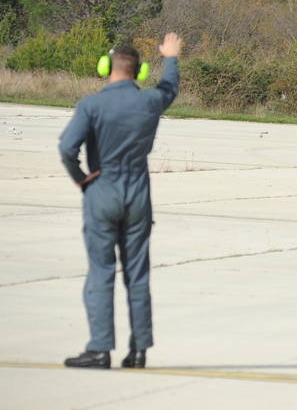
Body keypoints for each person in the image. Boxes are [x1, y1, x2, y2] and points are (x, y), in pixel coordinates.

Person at [59, 33, 182, 369]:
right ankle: (139, 349)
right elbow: (170, 88)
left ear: (105, 68)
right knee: (137, 275)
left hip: (103, 190)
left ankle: (100, 349)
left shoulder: (91, 105)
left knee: (101, 272)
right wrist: (170, 57)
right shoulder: (151, 101)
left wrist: (82, 179)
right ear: (139, 71)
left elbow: (67, 149)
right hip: (138, 193)